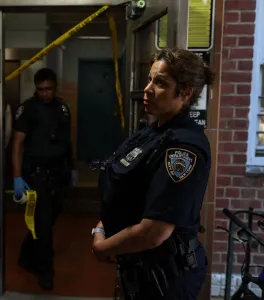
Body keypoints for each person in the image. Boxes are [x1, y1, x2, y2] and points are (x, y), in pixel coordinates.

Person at [91, 48, 215, 300]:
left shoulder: (183, 148)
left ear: (185, 93)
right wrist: (103, 225)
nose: (147, 88)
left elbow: (154, 232)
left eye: (160, 83)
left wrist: (102, 247)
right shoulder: (153, 132)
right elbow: (123, 186)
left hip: (165, 277)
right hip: (138, 267)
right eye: (150, 79)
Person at [12, 67, 77, 290]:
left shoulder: (62, 108)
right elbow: (17, 145)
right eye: (41, 89)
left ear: (55, 87)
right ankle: (45, 272)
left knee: (48, 221)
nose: (45, 93)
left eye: (49, 89)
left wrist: (73, 167)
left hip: (58, 173)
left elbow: (67, 141)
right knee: (44, 226)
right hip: (36, 175)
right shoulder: (27, 109)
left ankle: (25, 255)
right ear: (36, 88)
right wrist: (17, 177)